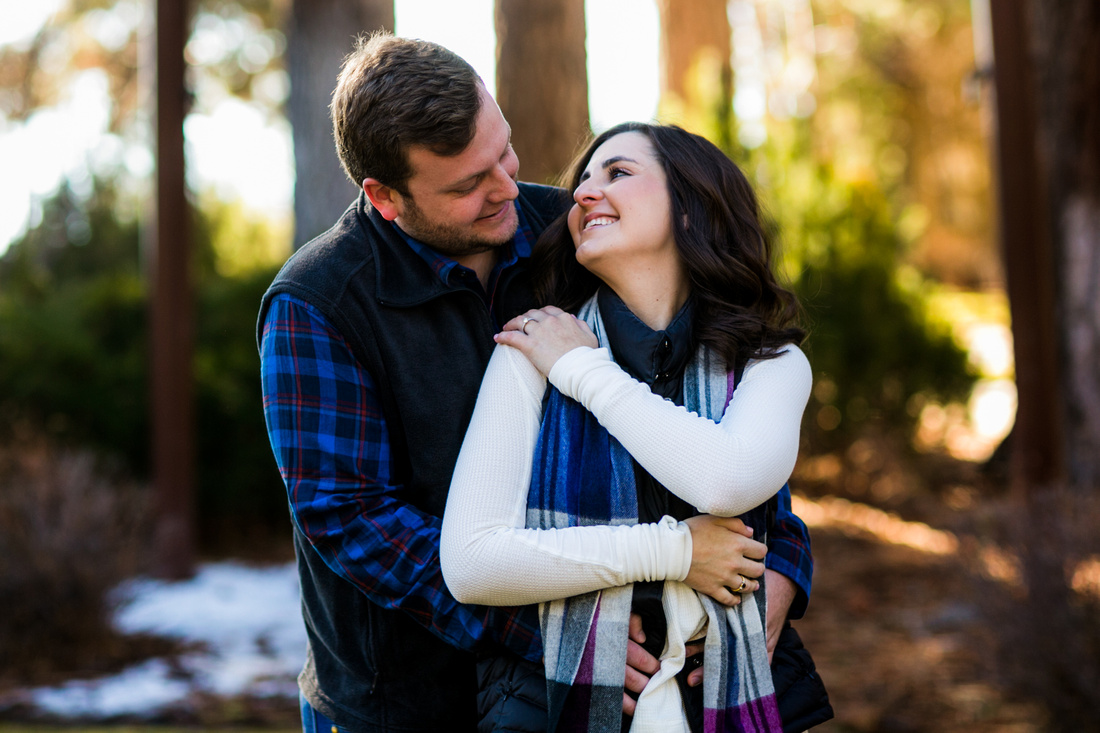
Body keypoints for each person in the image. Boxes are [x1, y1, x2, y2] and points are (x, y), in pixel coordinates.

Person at [258, 33, 817, 733]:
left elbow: (710, 400)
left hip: (582, 686)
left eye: (504, 151)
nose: (506, 189)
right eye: (468, 185)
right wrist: (556, 632)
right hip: (402, 693)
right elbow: (349, 515)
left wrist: (782, 562)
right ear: (385, 195)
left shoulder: (571, 229)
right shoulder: (318, 303)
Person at [442, 123, 827, 732]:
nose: (585, 194)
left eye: (617, 173)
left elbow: (727, 481)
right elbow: (472, 562)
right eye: (583, 182)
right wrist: (676, 554)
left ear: (691, 208)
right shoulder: (529, 350)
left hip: (728, 692)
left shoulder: (770, 364)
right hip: (555, 706)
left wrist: (584, 371)